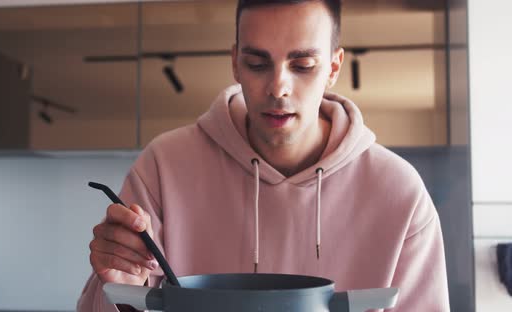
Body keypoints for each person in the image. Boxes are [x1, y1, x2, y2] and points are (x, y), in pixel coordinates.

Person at [77, 0, 450, 311]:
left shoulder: (400, 192)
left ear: (334, 67)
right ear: (236, 62)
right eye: (257, 64)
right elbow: (107, 301)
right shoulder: (162, 167)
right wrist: (118, 288)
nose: (278, 88)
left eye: (302, 65)